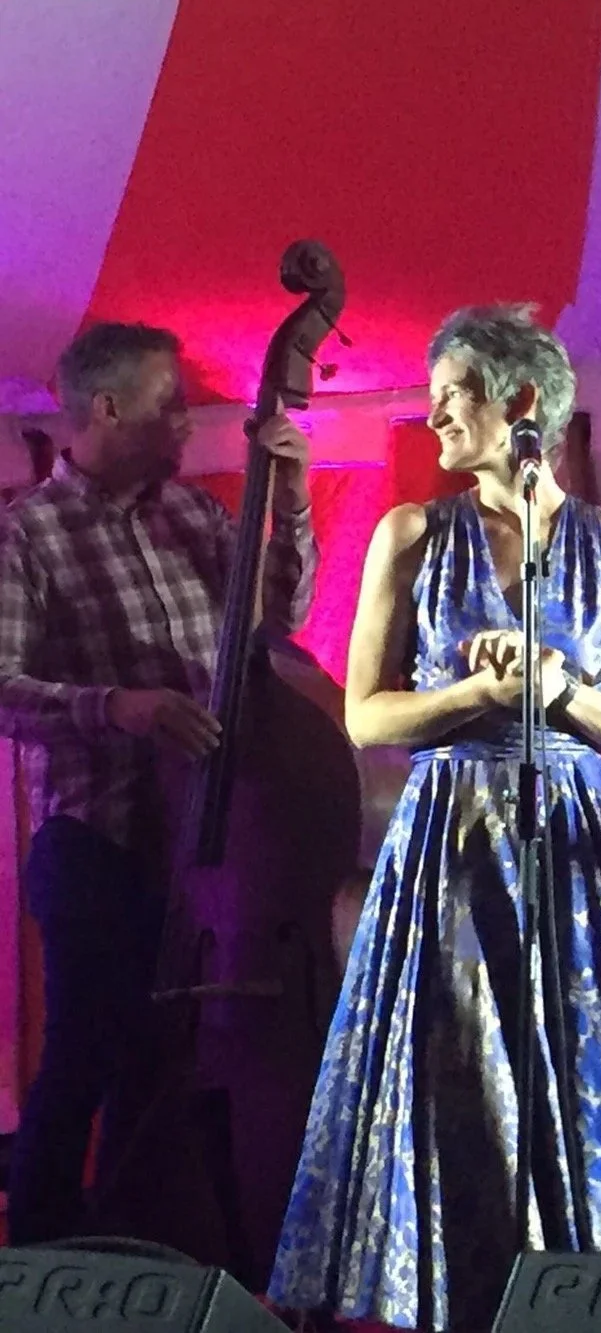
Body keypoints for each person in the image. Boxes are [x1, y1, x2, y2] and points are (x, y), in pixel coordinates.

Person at [267, 305, 601, 1332]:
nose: (436, 414)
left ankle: (585, 1293)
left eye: (454, 394)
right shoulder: (411, 533)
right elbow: (366, 714)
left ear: (520, 402)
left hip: (576, 846)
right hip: (448, 841)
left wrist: (557, 687)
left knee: (582, 1070)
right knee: (456, 1080)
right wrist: (477, 696)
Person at [0, 322, 315, 1245]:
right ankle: (41, 1261)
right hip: (100, 836)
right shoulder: (25, 534)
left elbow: (282, 618)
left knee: (175, 1062)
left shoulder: (197, 516)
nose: (185, 418)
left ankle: (164, 1241)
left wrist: (291, 500)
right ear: (105, 409)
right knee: (85, 1057)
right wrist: (116, 707)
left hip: (215, 846)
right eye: (166, 401)